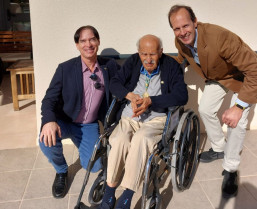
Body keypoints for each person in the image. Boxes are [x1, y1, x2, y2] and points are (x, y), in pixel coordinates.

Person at [168, 5, 257, 199]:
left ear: (195, 21)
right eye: (177, 28)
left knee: (237, 122)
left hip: (243, 76)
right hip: (220, 76)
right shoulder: (180, 41)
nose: (182, 32)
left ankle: (231, 169)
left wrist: (239, 106)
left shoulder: (220, 38)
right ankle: (218, 148)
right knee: (206, 109)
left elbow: (254, 70)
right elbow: (182, 58)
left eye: (186, 26)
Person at [99, 34, 188, 209]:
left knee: (141, 139)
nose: (148, 59)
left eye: (152, 54)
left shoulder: (172, 67)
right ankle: (109, 193)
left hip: (156, 119)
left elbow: (181, 95)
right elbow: (115, 83)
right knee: (119, 140)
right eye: (143, 54)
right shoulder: (133, 61)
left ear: (160, 52)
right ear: (139, 53)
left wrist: (151, 101)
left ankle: (126, 197)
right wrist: (128, 95)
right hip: (130, 116)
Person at [39, 25, 119, 198]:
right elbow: (49, 99)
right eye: (83, 40)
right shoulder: (65, 68)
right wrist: (48, 121)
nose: (88, 44)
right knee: (46, 140)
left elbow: (123, 86)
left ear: (98, 41)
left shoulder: (109, 66)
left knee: (94, 166)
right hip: (64, 121)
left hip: (88, 125)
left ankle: (83, 143)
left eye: (92, 39)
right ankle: (61, 171)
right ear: (77, 45)